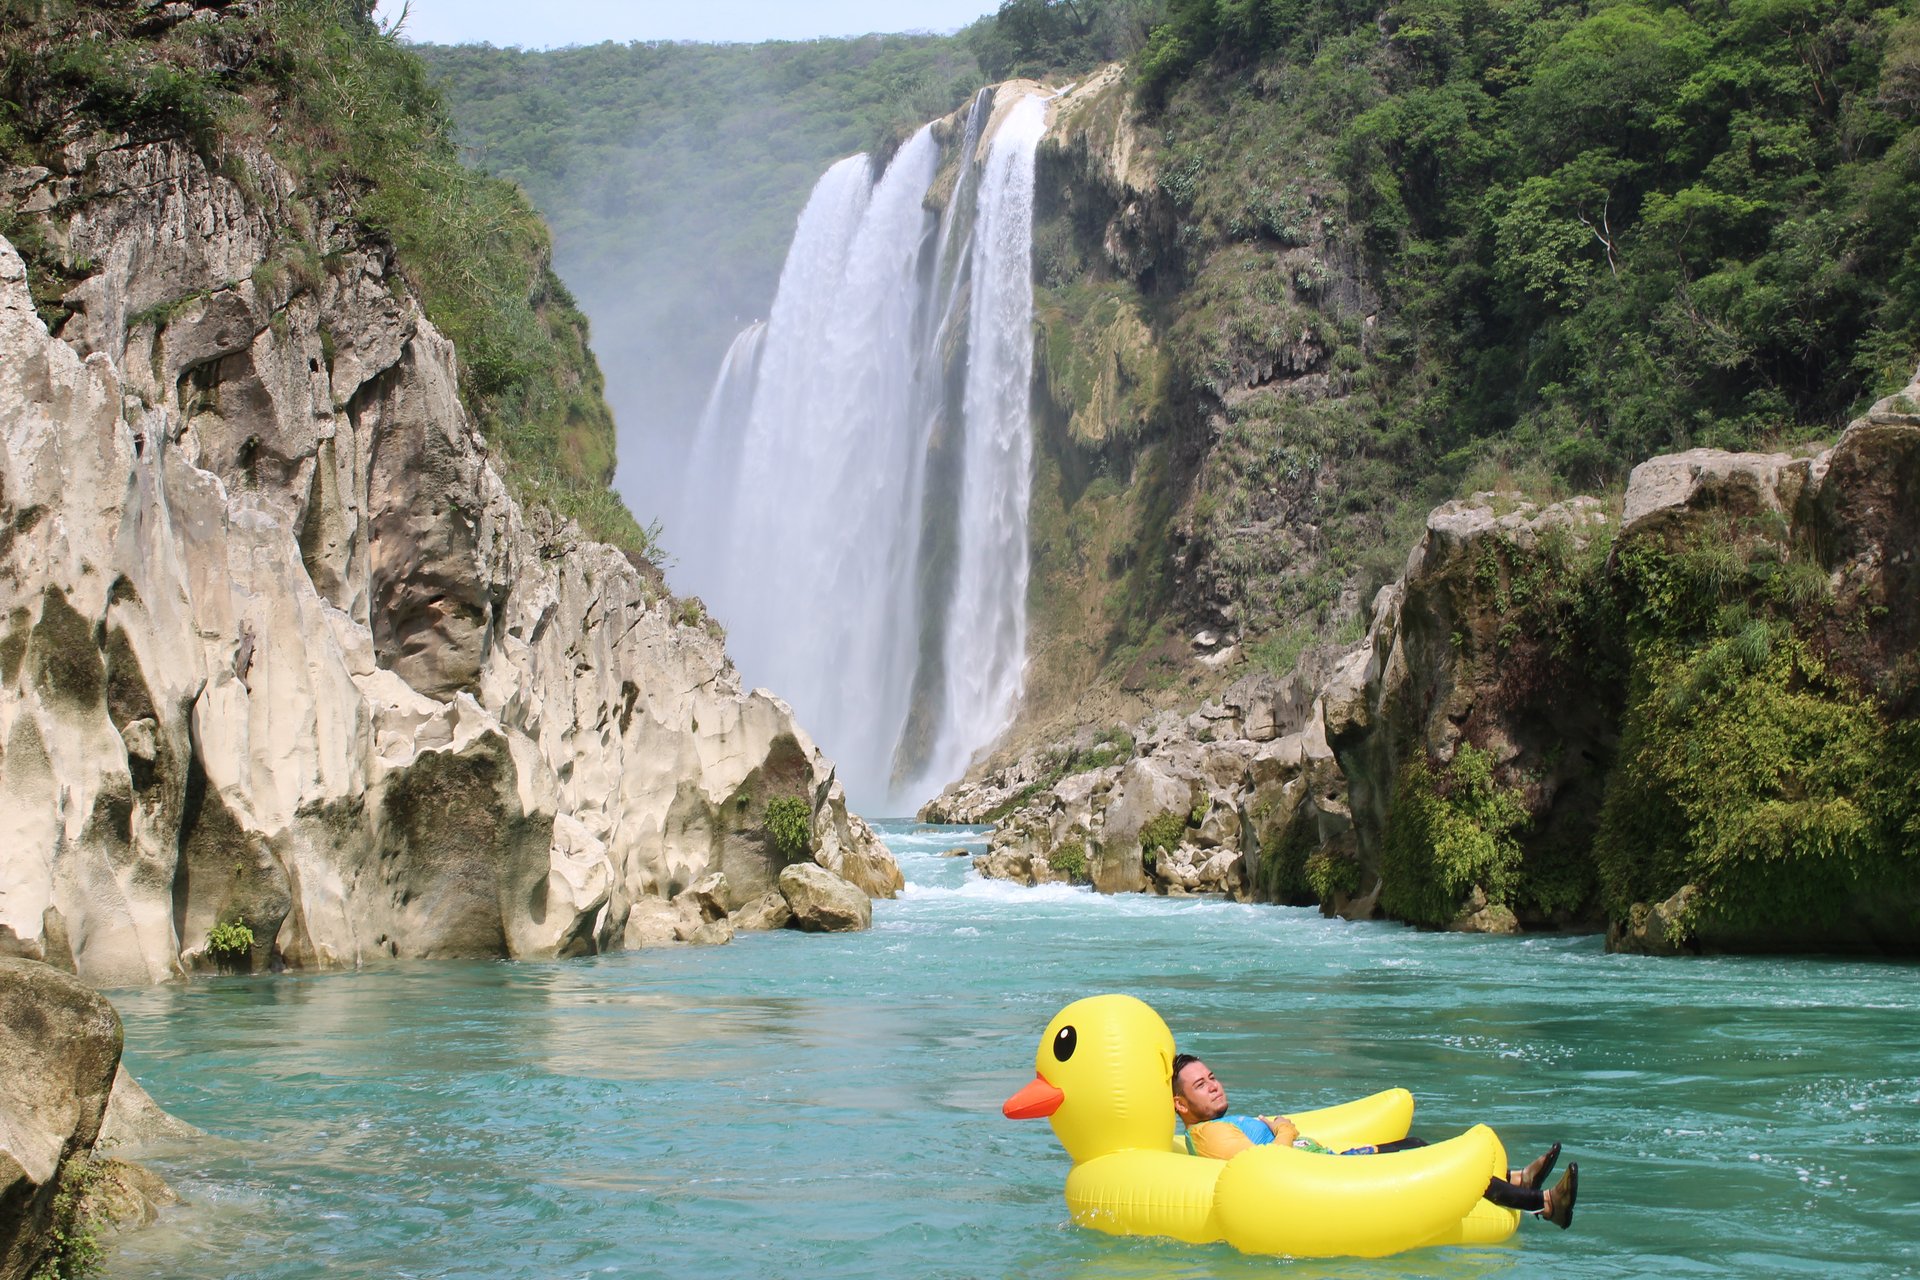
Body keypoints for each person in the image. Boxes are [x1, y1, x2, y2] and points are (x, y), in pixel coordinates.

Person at [1170, 1053, 1578, 1228]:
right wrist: (1285, 1128)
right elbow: (1260, 1170)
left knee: (1415, 1143)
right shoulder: (1210, 1133)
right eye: (1200, 1086)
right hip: (1326, 1179)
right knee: (1420, 1157)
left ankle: (1516, 1177)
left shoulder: (1219, 1123)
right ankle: (1541, 1205)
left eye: (1212, 1078)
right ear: (1180, 1104)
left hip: (1333, 1162)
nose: (1214, 1087)